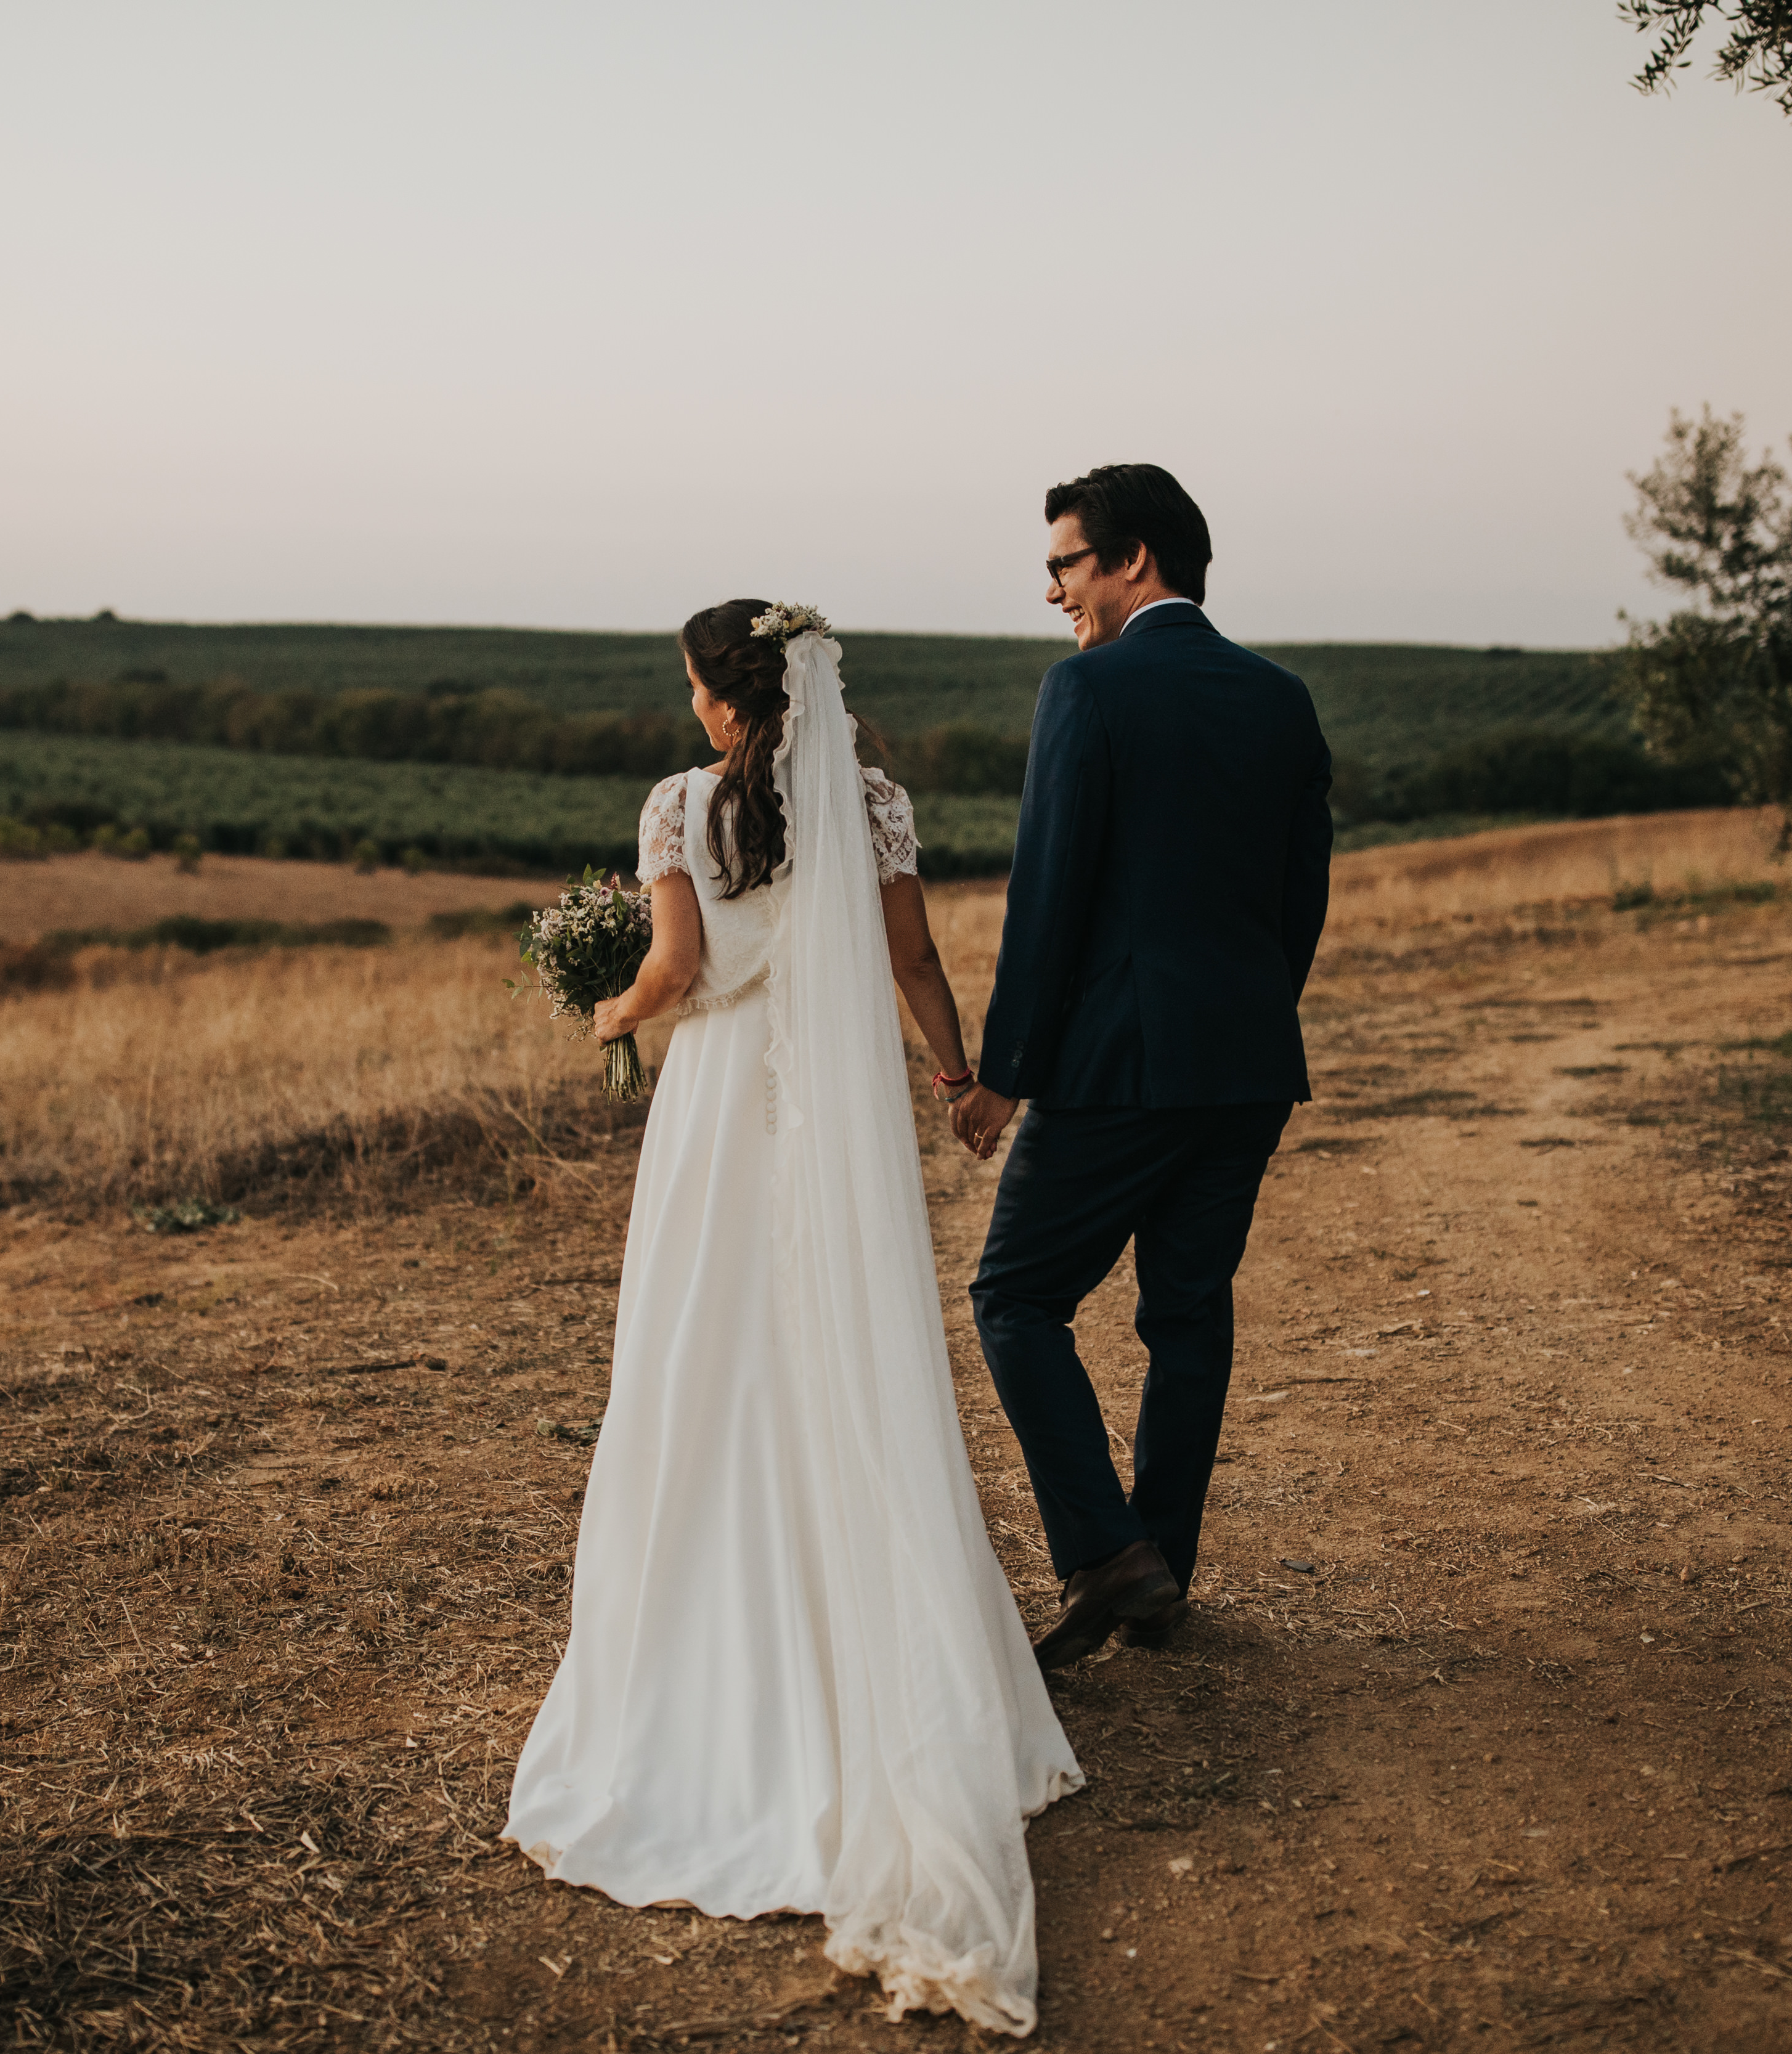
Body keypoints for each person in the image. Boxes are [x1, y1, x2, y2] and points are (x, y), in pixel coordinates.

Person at [503, 600, 1081, 2036]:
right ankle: (885, 1671)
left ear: (719, 695)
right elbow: (911, 963)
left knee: (705, 1359)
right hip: (833, 1124)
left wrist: (605, 1015)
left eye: (694, 688)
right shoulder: (870, 799)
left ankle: (706, 1678)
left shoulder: (677, 807)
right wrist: (961, 1079)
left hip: (714, 1115)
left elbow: (679, 973)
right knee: (848, 1354)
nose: (691, 710)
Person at [950, 463, 1335, 1669]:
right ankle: (1159, 1564)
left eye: (1065, 561)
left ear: (1132, 559)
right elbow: (1299, 898)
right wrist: (1248, 1019)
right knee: (1186, 1312)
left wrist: (1004, 1068)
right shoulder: (1281, 698)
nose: (1054, 587)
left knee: (1014, 1296)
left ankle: (1111, 1551)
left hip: (1117, 1065)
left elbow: (1047, 894)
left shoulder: (1087, 690)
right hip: (1246, 1059)